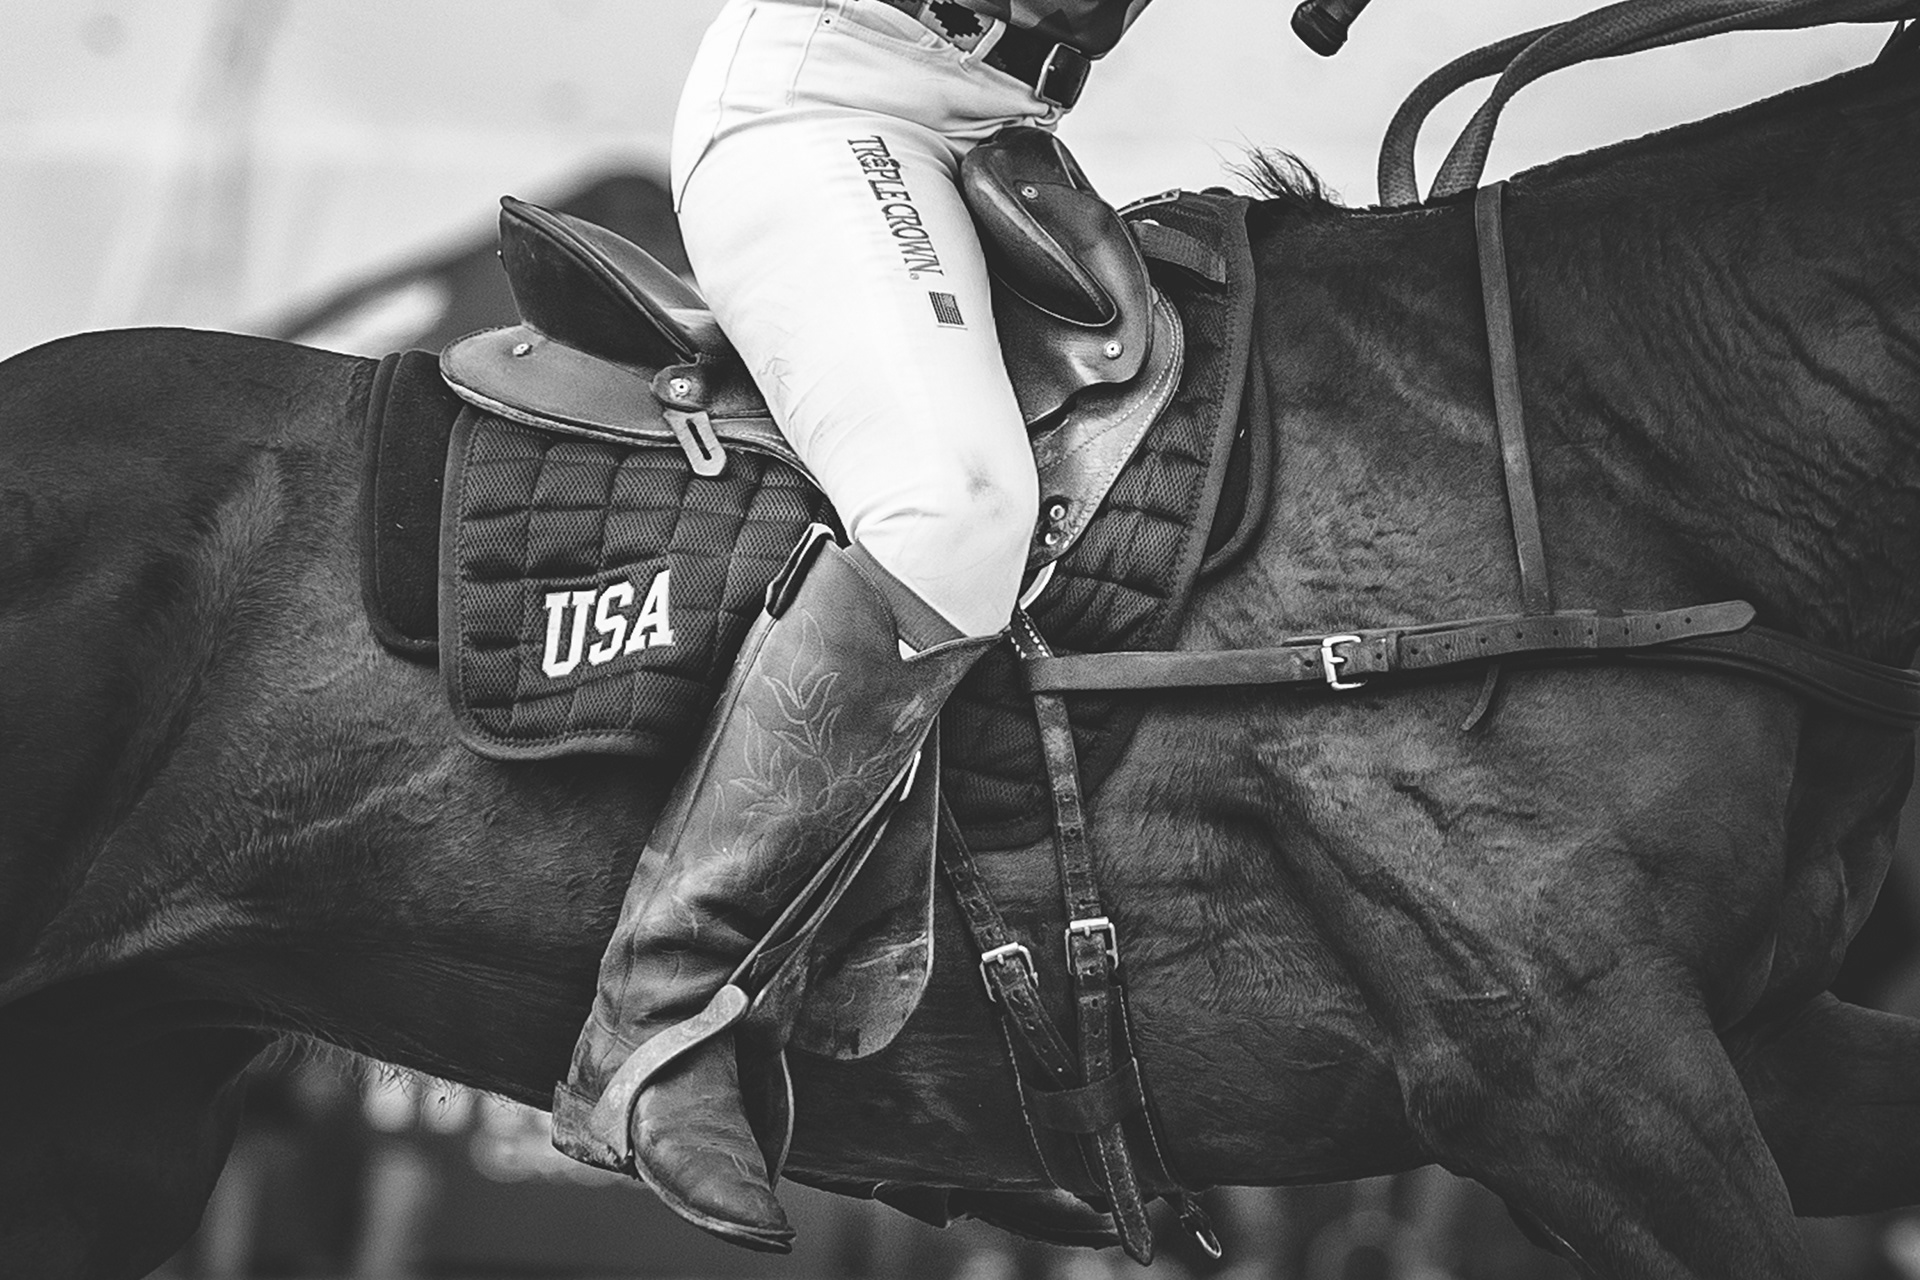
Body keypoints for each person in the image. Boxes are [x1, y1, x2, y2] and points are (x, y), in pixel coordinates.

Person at [553, 0, 1154, 1252]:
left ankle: (909, 1069)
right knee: (955, 510)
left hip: (1003, 128)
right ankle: (656, 1019)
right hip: (846, 97)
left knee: (1105, 506)